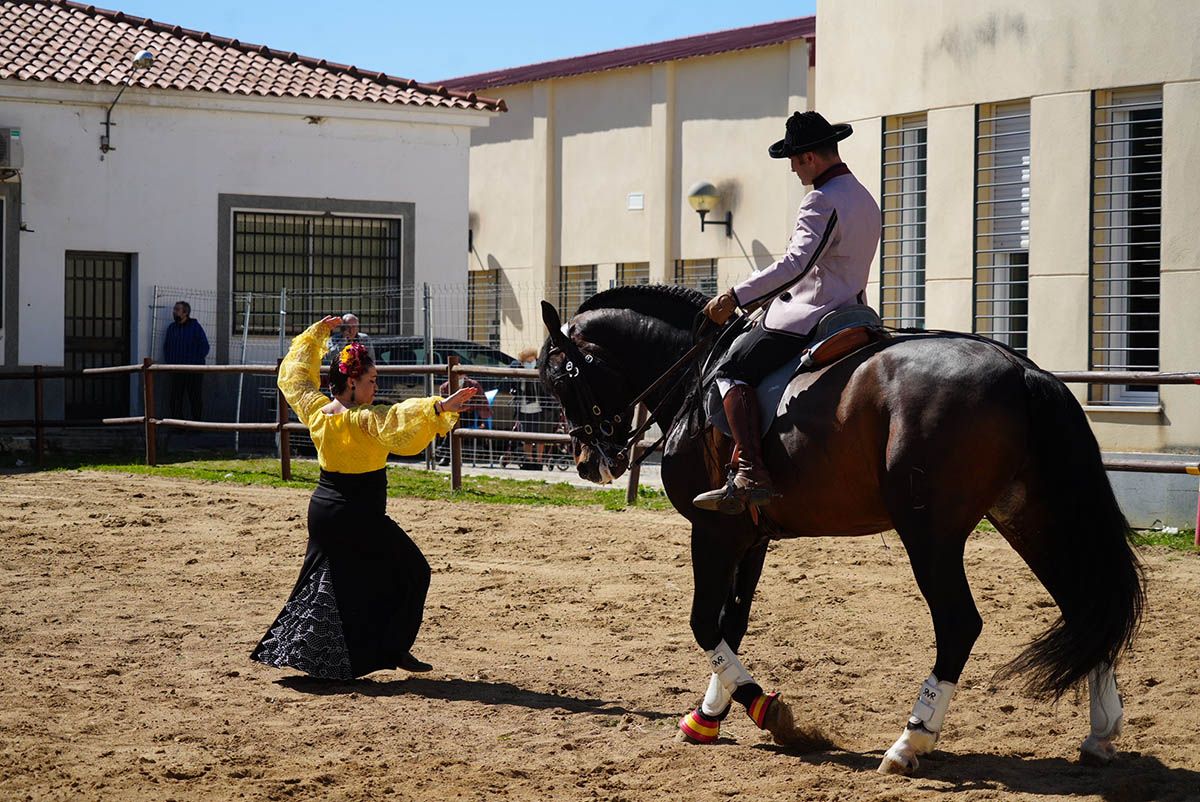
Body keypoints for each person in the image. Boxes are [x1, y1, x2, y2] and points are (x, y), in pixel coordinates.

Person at [252, 316, 477, 679]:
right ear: (352, 383)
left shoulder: (315, 410)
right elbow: (398, 420)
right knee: (413, 571)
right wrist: (438, 408)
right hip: (358, 514)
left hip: (325, 510)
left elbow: (293, 377)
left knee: (330, 584)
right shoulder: (364, 421)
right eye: (371, 382)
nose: (376, 387)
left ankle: (311, 655)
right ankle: (393, 648)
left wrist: (316, 334)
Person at [693, 111, 882, 514]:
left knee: (731, 370)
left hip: (810, 314)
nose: (794, 170)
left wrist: (736, 296)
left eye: (795, 161)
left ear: (810, 157)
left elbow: (796, 265)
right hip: (853, 310)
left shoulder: (821, 199)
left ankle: (750, 468)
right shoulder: (864, 196)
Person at [163, 300, 210, 420]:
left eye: (177, 310)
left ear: (185, 313)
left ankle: (196, 426)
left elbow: (204, 347)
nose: (174, 312)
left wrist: (195, 362)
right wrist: (169, 362)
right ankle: (177, 426)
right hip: (176, 369)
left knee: (194, 398)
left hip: (193, 370)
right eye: (174, 309)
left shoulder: (195, 327)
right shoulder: (172, 328)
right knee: (175, 399)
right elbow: (167, 347)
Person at [435, 374, 492, 464]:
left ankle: (445, 451)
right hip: (450, 415)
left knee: (454, 424)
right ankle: (446, 451)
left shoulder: (473, 385)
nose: (458, 376)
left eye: (460, 374)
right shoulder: (445, 387)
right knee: (451, 423)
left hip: (469, 415)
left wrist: (480, 418)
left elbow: (482, 403)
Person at [509, 347, 546, 468]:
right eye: (527, 362)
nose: (530, 364)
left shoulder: (541, 370)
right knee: (526, 437)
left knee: (541, 436)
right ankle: (529, 460)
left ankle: (539, 461)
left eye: (532, 361)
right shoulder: (518, 372)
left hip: (540, 408)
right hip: (524, 408)